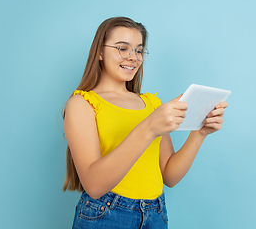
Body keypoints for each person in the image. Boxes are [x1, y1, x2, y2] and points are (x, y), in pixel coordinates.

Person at [62, 17, 228, 229]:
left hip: (155, 213)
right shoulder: (82, 103)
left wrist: (200, 132)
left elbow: (169, 175)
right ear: (100, 52)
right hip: (106, 215)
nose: (133, 57)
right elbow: (94, 186)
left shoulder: (151, 104)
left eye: (139, 50)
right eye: (123, 48)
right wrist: (149, 128)